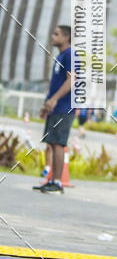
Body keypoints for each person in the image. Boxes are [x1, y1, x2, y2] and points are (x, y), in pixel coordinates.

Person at [33, 24, 74, 194]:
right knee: (51, 142)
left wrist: (55, 100)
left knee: (58, 144)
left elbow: (71, 80)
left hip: (64, 107)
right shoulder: (61, 56)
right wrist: (47, 104)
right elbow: (55, 84)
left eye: (56, 34)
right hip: (55, 108)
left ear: (66, 37)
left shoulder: (70, 54)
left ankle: (57, 183)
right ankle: (52, 180)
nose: (52, 36)